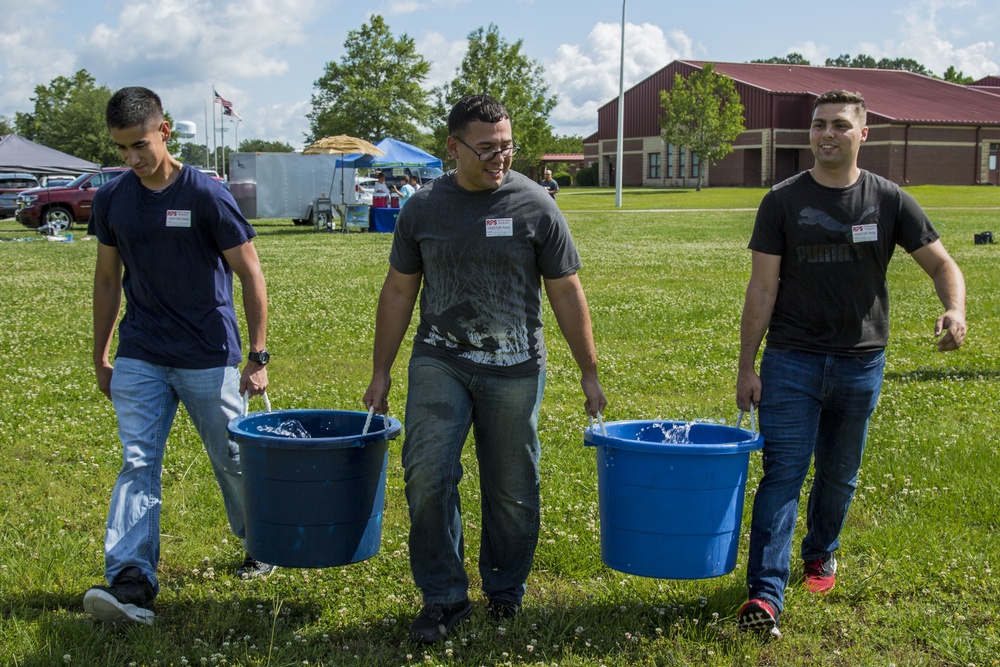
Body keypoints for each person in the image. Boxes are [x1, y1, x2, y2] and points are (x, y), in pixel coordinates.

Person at [364, 94, 607, 644]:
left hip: (515, 368)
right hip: (439, 360)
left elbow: (566, 292)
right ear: (453, 148)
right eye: (487, 149)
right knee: (427, 474)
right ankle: (444, 597)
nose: (501, 159)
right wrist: (380, 372)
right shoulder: (423, 207)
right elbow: (399, 291)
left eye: (508, 147)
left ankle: (504, 591)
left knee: (512, 487)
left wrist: (588, 373)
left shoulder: (536, 205)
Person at [734, 90, 967, 638]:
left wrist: (954, 308)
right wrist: (748, 365)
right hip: (791, 360)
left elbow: (942, 263)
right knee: (783, 476)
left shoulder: (889, 200)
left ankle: (820, 554)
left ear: (863, 134)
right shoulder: (782, 201)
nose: (827, 134)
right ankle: (765, 595)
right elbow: (762, 288)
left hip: (862, 363)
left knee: (838, 477)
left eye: (840, 125)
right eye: (818, 125)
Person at [84, 87, 272, 625]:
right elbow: (105, 281)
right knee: (137, 462)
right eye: (122, 149)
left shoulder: (206, 194)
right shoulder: (113, 198)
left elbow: (251, 274)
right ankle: (132, 578)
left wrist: (257, 354)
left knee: (232, 458)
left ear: (164, 132)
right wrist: (101, 354)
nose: (132, 159)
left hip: (208, 355)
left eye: (139, 145)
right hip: (141, 351)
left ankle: (262, 542)